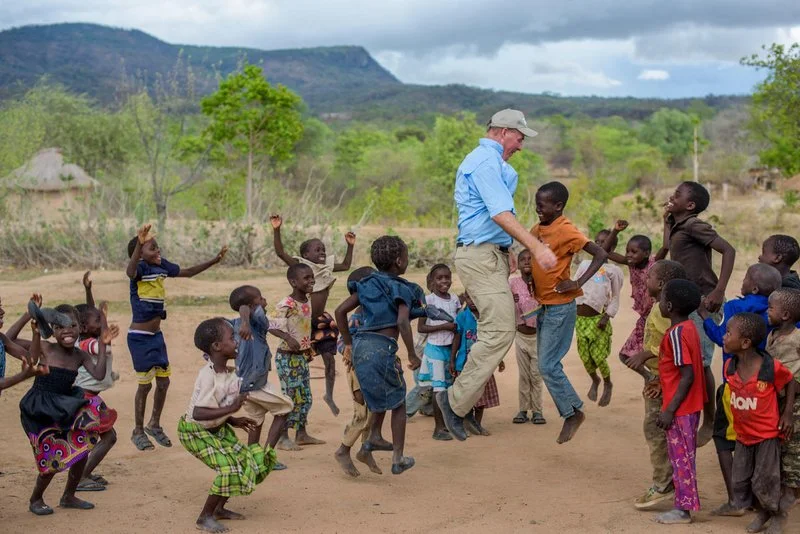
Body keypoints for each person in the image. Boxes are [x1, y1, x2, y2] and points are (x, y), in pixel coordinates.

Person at [438, 109, 557, 443]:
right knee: (501, 329)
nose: (521, 144)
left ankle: (456, 402)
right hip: (480, 254)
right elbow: (500, 213)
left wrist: (508, 255)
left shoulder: (495, 165)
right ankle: (452, 402)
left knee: (498, 330)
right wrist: (535, 247)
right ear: (504, 132)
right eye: (520, 137)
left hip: (489, 255)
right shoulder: (484, 162)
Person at [126, 223, 228, 451]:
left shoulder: (161, 266)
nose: (158, 251)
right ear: (140, 253)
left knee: (164, 382)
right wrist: (139, 246)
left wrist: (214, 261)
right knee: (144, 386)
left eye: (157, 247)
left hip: (156, 337)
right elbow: (130, 271)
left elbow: (188, 272)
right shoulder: (140, 269)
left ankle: (155, 424)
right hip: (140, 338)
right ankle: (138, 430)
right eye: (152, 248)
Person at [697, 263, 783, 516]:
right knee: (759, 439)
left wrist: (704, 316)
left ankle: (737, 500)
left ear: (753, 286)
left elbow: (720, 336)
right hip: (764, 386)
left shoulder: (736, 309)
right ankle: (759, 500)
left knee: (724, 439)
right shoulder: (775, 312)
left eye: (745, 278)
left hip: (734, 386)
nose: (742, 281)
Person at [179, 318, 278, 534]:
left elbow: (217, 405)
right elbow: (199, 412)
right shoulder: (208, 375)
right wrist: (231, 411)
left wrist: (233, 420)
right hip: (195, 431)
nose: (236, 342)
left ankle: (219, 509)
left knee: (241, 462)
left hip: (217, 428)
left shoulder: (228, 373)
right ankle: (204, 517)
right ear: (216, 347)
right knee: (228, 468)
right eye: (232, 338)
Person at [335, 236, 425, 475]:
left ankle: (371, 440)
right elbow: (402, 322)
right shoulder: (402, 287)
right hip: (381, 348)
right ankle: (398, 458)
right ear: (399, 261)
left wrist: (348, 342)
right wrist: (412, 354)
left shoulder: (367, 285)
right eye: (406, 256)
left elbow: (340, 311)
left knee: (381, 397)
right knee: (399, 403)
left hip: (361, 346)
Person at [528, 181, 609, 444]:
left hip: (560, 308)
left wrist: (577, 283)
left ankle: (572, 412)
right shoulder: (537, 229)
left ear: (558, 205)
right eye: (537, 204)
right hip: (544, 306)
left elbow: (599, 254)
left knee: (547, 365)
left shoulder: (566, 230)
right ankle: (572, 411)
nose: (538, 208)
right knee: (547, 364)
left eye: (543, 205)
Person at [19, 301, 117, 516]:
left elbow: (100, 374)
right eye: (60, 326)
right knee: (50, 456)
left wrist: (103, 343)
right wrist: (31, 315)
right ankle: (36, 499)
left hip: (65, 404)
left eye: (72, 325)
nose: (67, 331)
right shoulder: (46, 347)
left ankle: (69, 495)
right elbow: (10, 340)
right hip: (40, 408)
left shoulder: (79, 355)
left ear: (79, 327)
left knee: (82, 447)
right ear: (52, 330)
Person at [665, 181, 736, 447]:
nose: (672, 195)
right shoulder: (679, 225)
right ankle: (692, 412)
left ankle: (710, 419)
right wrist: (667, 221)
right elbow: (667, 250)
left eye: (678, 194)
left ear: (691, 205)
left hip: (705, 301)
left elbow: (728, 250)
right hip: (687, 301)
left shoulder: (694, 225)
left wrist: (718, 291)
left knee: (701, 362)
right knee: (688, 361)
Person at [271, 214, 355, 416]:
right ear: (304, 254)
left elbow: (345, 265)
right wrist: (276, 229)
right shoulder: (300, 266)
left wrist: (350, 245)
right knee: (301, 361)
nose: (322, 252)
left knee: (330, 359)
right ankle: (295, 405)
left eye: (323, 249)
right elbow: (280, 252)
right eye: (317, 249)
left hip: (321, 320)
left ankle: (329, 395)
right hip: (303, 322)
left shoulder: (326, 266)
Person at [723, 312, 796, 534]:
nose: (724, 337)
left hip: (766, 436)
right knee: (740, 481)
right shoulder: (730, 367)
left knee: (765, 480)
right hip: (743, 435)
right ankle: (763, 511)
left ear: (745, 342)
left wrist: (787, 414)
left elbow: (791, 382)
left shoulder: (769, 367)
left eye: (728, 333)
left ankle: (776, 515)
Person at [624, 260, 687, 510]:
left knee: (655, 430)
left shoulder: (664, 311)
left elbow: (673, 347)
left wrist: (656, 374)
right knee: (659, 431)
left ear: (660, 284)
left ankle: (664, 484)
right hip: (660, 379)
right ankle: (669, 481)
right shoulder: (661, 307)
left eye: (649, 277)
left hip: (665, 382)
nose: (644, 280)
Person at [654, 279, 707, 525]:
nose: (659, 302)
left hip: (680, 408)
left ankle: (683, 509)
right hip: (689, 405)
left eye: (663, 298)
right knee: (684, 456)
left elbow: (686, 375)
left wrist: (669, 411)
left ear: (670, 305)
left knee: (681, 458)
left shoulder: (676, 334)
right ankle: (684, 503)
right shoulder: (689, 327)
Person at [334, 266, 393, 478]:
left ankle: (365, 448)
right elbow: (342, 343)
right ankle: (343, 450)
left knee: (375, 410)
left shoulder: (378, 312)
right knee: (362, 412)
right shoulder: (358, 316)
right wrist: (350, 349)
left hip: (377, 368)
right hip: (359, 369)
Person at [227, 285, 294, 460]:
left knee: (256, 419)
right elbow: (244, 307)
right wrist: (245, 322)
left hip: (245, 383)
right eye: (260, 298)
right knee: (285, 408)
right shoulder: (255, 319)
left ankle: (252, 457)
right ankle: (267, 455)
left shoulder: (241, 324)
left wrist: (244, 322)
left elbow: (243, 308)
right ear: (251, 306)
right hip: (253, 384)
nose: (264, 301)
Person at [269, 263, 323, 451]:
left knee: (305, 397)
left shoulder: (306, 300)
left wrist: (307, 349)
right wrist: (287, 337)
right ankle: (283, 437)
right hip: (287, 358)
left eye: (311, 277)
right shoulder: (287, 303)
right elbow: (272, 325)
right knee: (290, 397)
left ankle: (301, 434)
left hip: (300, 357)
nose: (311, 281)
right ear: (293, 282)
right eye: (306, 278)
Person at [602, 220, 668, 373]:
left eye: (634, 251)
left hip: (658, 316)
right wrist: (615, 231)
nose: (629, 255)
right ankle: (650, 378)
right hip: (644, 318)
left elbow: (665, 246)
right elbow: (605, 251)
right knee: (625, 355)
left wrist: (666, 221)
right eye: (627, 251)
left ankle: (659, 380)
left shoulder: (655, 263)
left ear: (646, 253)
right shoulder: (629, 263)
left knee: (660, 353)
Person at [74, 296, 120, 492]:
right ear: (84, 328)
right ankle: (82, 476)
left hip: (88, 398)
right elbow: (101, 343)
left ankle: (83, 472)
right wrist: (105, 329)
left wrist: (89, 291)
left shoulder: (86, 339)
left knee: (95, 439)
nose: (102, 324)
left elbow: (101, 337)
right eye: (98, 321)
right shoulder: (87, 345)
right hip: (86, 399)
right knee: (108, 437)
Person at [574, 229, 623, 407]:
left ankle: (608, 383)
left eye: (605, 242)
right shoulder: (585, 265)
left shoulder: (613, 270)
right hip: (580, 320)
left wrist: (607, 316)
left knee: (599, 357)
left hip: (598, 321)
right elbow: (575, 286)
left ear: (613, 246)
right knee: (585, 358)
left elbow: (615, 297)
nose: (600, 245)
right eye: (597, 242)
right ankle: (595, 380)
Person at [449, 292, 504, 436]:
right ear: (465, 298)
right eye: (469, 297)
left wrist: (499, 359)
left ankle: (477, 425)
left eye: (476, 297)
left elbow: (493, 341)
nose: (472, 301)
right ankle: (463, 425)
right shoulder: (462, 316)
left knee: (482, 399)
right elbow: (457, 338)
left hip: (484, 364)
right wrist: (452, 360)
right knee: (465, 397)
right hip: (465, 364)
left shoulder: (487, 316)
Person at [417, 264, 461, 441]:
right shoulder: (428, 301)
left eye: (447, 277)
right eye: (439, 278)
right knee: (439, 389)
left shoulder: (455, 299)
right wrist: (443, 326)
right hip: (434, 349)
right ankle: (439, 428)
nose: (444, 281)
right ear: (432, 281)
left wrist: (453, 357)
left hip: (450, 350)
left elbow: (457, 327)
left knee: (449, 388)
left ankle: (448, 423)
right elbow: (421, 327)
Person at [765, 288, 800, 514]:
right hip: (776, 400)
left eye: (770, 308)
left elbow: (794, 378)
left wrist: (787, 411)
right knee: (780, 444)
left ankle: (792, 492)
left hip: (793, 404)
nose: (766, 311)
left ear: (785, 314)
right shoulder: (773, 335)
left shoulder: (795, 340)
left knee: (792, 447)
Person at [509, 249, 545, 425]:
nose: (526, 262)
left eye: (530, 259)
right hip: (521, 336)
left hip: (538, 337)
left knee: (536, 375)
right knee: (524, 376)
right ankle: (523, 410)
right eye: (522, 259)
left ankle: (537, 411)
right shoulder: (513, 284)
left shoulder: (542, 283)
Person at [0, 295, 39, 397]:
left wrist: (36, 333)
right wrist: (23, 376)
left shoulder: (1, 339)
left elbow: (31, 359)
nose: (2, 312)